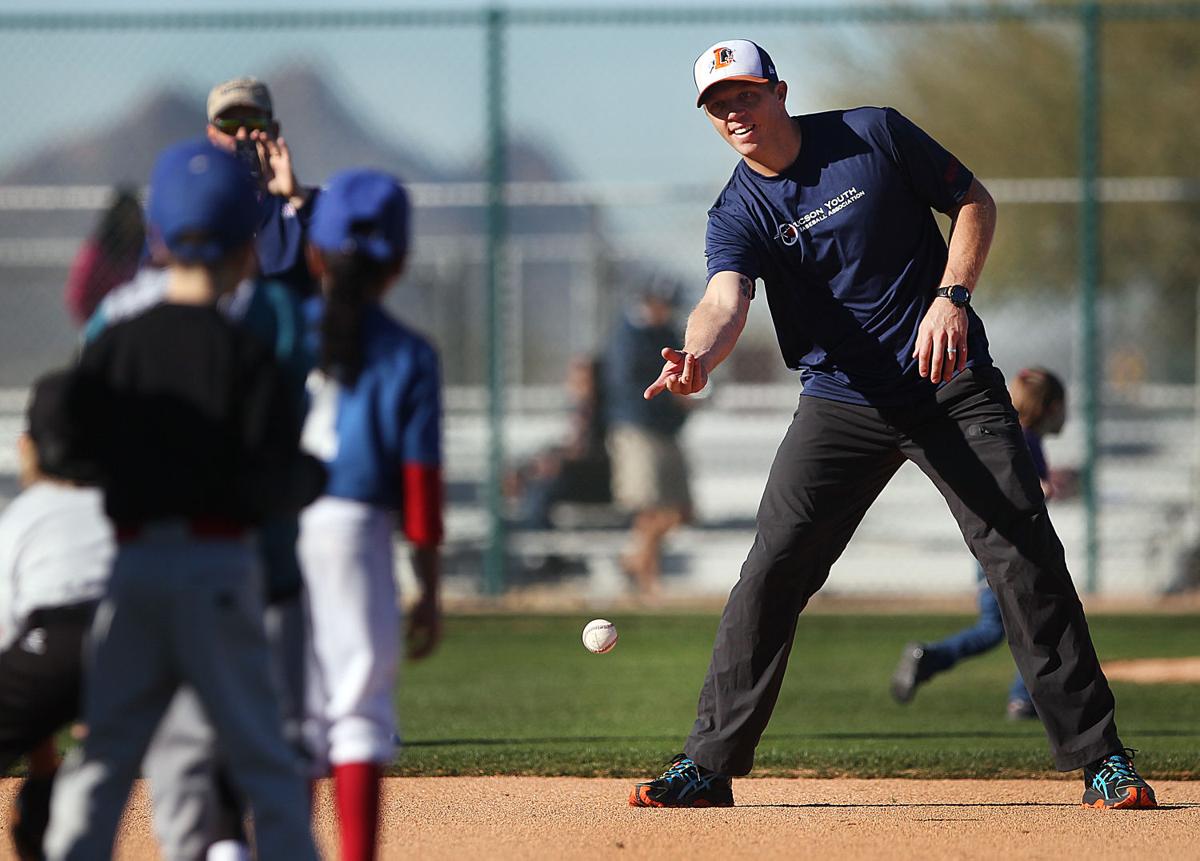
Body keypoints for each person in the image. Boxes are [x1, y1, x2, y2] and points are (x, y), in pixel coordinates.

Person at [628, 39, 1156, 811]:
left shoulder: (873, 134)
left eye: (743, 94)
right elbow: (724, 297)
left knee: (1022, 555)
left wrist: (953, 296)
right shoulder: (737, 209)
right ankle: (708, 764)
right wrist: (698, 357)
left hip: (953, 386)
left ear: (778, 90)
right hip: (842, 401)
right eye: (717, 104)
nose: (733, 112)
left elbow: (975, 201)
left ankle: (1100, 758)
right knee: (772, 568)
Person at [43, 139, 325, 860]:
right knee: (263, 753)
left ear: (158, 238)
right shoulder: (248, 354)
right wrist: (309, 482)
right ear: (245, 246)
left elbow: (59, 424)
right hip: (222, 568)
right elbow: (276, 476)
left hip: (132, 569)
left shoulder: (119, 342)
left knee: (105, 756)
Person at [298, 168, 444, 861]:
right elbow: (420, 486)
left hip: (268, 533)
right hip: (354, 532)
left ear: (312, 253)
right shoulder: (410, 353)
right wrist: (430, 586)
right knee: (357, 712)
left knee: (288, 712)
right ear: (402, 261)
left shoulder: (272, 330)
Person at [890, 367, 1069, 720]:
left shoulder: (1016, 433)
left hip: (995, 545)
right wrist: (1042, 486)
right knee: (1041, 617)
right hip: (1011, 547)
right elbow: (1010, 479)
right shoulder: (1023, 437)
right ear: (1049, 407)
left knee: (998, 628)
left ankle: (930, 659)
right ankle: (1022, 698)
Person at [0, 370, 114, 859]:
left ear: (27, 447)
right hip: (134, 640)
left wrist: (43, 774)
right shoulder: (127, 504)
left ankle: (46, 811)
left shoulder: (26, 513)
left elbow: (10, 642)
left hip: (51, 639)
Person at [604, 278, 693, 597]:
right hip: (638, 429)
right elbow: (633, 388)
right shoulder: (628, 338)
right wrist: (673, 397)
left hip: (667, 430)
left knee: (681, 510)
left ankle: (633, 560)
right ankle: (646, 580)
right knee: (651, 508)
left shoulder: (665, 333)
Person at [205, 75, 319, 296]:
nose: (242, 136)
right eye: (229, 126)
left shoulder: (303, 205)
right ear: (211, 135)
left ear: (274, 130)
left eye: (254, 124)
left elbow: (345, 262)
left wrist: (297, 197)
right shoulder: (194, 208)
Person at [507, 354, 611, 530]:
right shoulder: (582, 409)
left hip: (594, 480)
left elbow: (594, 453)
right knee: (523, 477)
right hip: (576, 472)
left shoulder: (603, 413)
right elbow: (572, 447)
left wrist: (560, 463)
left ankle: (540, 542)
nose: (571, 383)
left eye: (580, 379)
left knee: (543, 488)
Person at [63, 188, 145, 327]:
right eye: (126, 217)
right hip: (105, 327)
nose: (132, 222)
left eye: (135, 216)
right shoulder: (96, 254)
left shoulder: (144, 251)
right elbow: (78, 297)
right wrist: (97, 324)